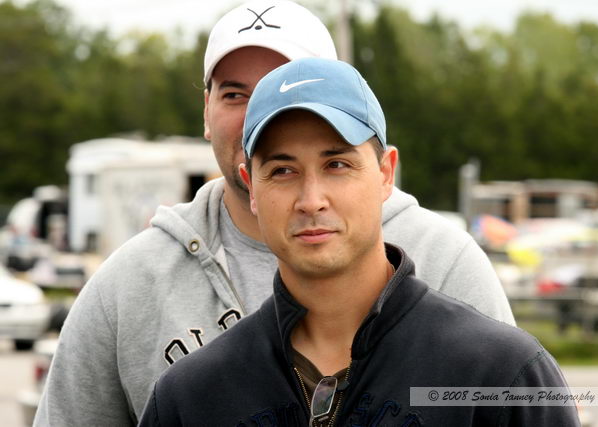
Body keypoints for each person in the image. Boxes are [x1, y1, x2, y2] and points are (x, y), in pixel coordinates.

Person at [36, 0, 514, 425]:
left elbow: (502, 400)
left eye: (288, 83)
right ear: (206, 110)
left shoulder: (444, 258)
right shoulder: (128, 285)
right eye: (234, 94)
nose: (258, 112)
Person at [138, 57, 579, 426]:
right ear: (250, 187)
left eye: (337, 165)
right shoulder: (191, 398)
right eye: (283, 170)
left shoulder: (501, 376)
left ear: (386, 174)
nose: (311, 200)